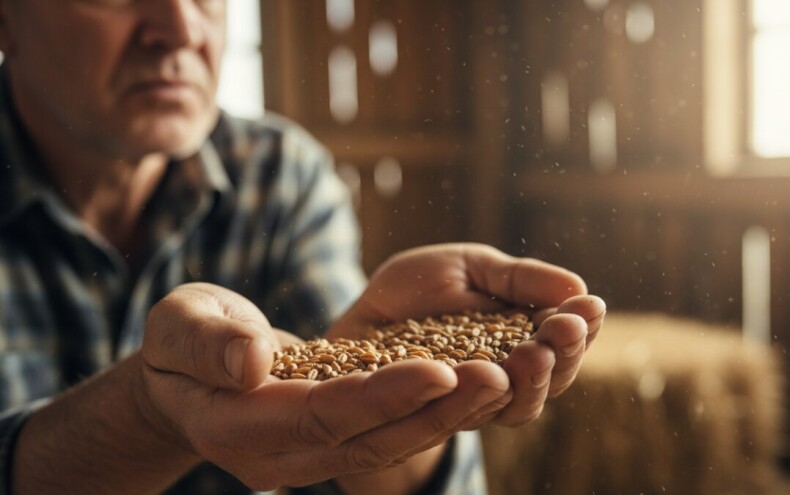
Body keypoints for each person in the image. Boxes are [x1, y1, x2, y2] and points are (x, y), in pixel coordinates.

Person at [0, 1, 606, 494]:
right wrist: (149, 417)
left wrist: (415, 409)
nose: (180, 28)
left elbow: (341, 377)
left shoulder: (277, 175)